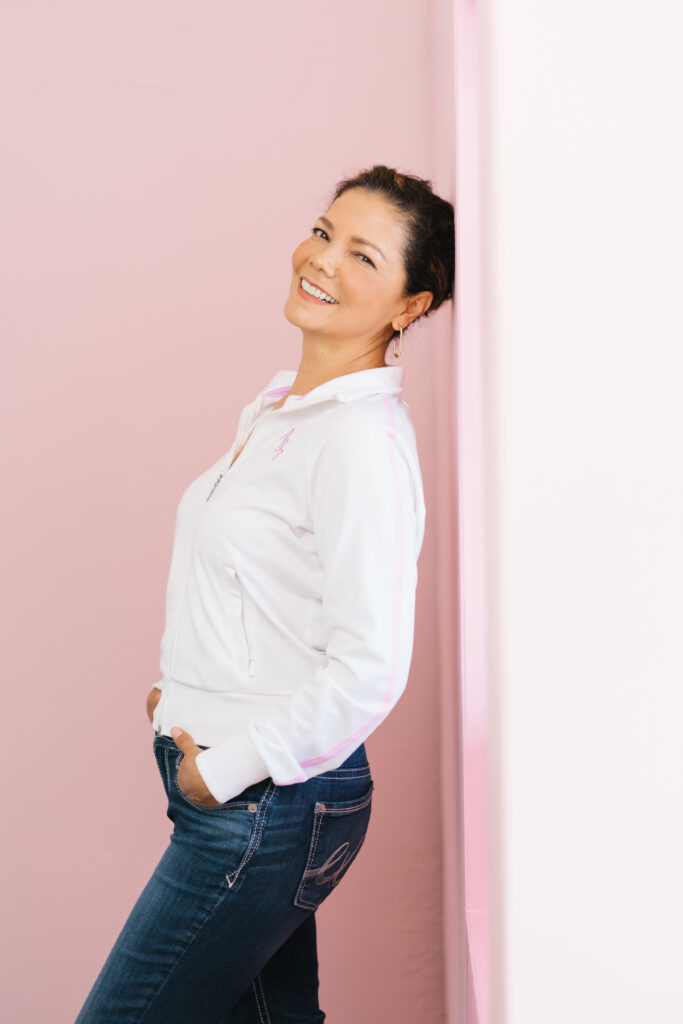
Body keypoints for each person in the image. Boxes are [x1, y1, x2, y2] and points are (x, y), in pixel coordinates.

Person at [75, 164, 455, 1023]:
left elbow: (367, 669)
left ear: (409, 306)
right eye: (323, 234)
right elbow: (262, 591)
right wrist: (181, 692)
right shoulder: (283, 407)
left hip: (266, 804)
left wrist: (221, 773)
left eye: (363, 256)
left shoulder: (359, 443)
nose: (321, 261)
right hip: (246, 791)